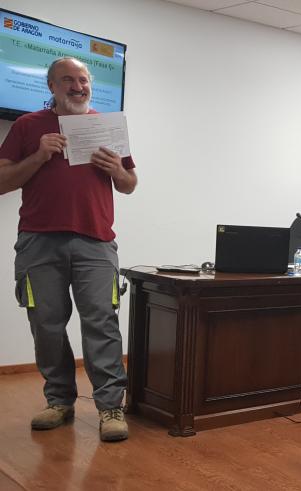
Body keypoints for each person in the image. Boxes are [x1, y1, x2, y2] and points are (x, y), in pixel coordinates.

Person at [0, 57, 137, 442]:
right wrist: (39, 155)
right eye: (67, 80)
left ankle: (111, 406)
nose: (77, 87)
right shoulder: (28, 127)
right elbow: (2, 181)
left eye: (83, 80)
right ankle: (59, 401)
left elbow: (129, 184)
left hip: (96, 243)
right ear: (51, 87)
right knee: (46, 325)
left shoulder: (107, 127)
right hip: (38, 241)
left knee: (101, 323)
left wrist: (116, 170)